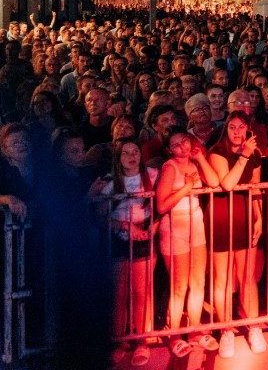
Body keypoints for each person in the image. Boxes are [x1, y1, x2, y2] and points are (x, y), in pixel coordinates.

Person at [206, 112, 267, 357]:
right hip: (221, 216)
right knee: (222, 278)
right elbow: (227, 184)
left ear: (248, 129)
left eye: (242, 127)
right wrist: (243, 156)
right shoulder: (217, 151)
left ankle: (254, 326)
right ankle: (226, 330)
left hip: (245, 215)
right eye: (232, 127)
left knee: (247, 276)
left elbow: (255, 188)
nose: (237, 132)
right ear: (226, 128)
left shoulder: (255, 154)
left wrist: (259, 217)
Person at [155, 128, 219, 358]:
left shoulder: (194, 163)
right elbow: (161, 205)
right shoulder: (169, 167)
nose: (182, 147)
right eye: (176, 144)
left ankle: (194, 331)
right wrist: (186, 189)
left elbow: (214, 182)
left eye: (184, 141)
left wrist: (200, 158)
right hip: (174, 227)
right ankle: (174, 335)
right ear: (168, 149)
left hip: (196, 222)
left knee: (198, 281)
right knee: (179, 285)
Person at [95, 137, 157, 367]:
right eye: (126, 153)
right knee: (119, 293)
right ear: (118, 158)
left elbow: (161, 205)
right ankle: (119, 342)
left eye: (135, 151)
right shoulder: (111, 182)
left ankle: (142, 340)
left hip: (143, 235)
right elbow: (99, 217)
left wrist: (153, 226)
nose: (132, 156)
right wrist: (124, 226)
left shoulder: (152, 176)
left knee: (142, 291)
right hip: (118, 237)